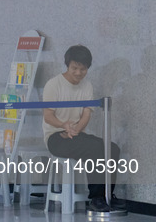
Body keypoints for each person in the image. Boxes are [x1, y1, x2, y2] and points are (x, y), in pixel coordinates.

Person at [42, 45, 125, 212]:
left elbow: (86, 115)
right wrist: (64, 126)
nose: (78, 73)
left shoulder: (87, 86)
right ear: (67, 65)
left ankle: (107, 194)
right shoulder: (53, 84)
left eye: (83, 69)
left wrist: (75, 130)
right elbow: (48, 116)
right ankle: (96, 198)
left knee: (112, 149)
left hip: (76, 133)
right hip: (55, 136)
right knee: (93, 148)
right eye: (75, 68)